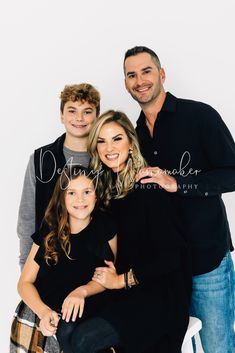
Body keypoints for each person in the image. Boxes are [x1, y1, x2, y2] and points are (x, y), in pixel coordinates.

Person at [123, 45, 235, 353]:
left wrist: (179, 183)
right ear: (126, 83)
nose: (139, 80)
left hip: (207, 262)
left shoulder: (199, 116)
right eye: (131, 75)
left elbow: (232, 173)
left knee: (217, 348)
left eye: (146, 71)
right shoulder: (133, 137)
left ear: (161, 74)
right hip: (164, 271)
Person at [62, 110, 191, 353]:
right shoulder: (106, 190)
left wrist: (121, 281)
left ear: (131, 143)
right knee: (66, 327)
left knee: (84, 340)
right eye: (101, 140)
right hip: (121, 292)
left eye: (117, 139)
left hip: (159, 294)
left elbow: (170, 258)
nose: (109, 147)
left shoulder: (149, 186)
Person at [10, 165, 117, 353]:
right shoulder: (49, 231)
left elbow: (108, 277)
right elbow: (24, 283)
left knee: (71, 330)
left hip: (83, 306)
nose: (80, 200)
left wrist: (82, 291)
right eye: (72, 193)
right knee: (61, 326)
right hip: (46, 306)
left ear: (96, 195)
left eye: (87, 191)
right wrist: (43, 312)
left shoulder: (105, 227)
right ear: (62, 198)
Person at [17, 83, 100, 269]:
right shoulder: (40, 160)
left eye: (87, 111)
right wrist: (25, 267)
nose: (79, 118)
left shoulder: (107, 159)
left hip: (94, 267)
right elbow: (27, 218)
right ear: (62, 115)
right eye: (72, 111)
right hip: (49, 264)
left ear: (97, 117)